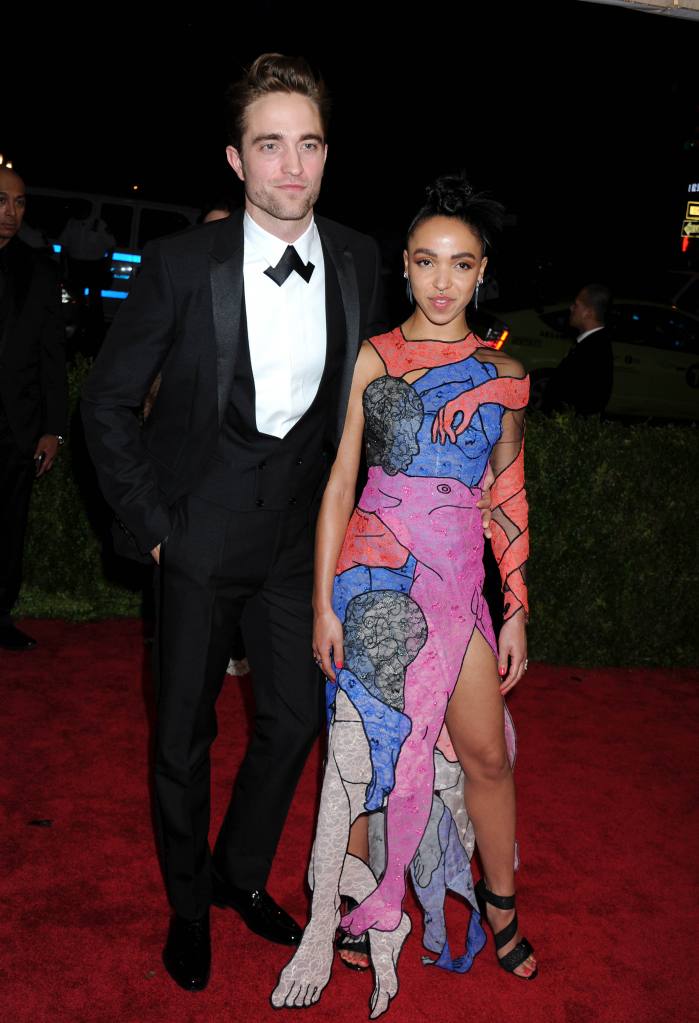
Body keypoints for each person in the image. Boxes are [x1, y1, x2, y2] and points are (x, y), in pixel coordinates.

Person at [80, 53, 392, 994]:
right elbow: (106, 403)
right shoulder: (182, 264)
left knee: (293, 720)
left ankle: (236, 870)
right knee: (182, 735)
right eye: (269, 145)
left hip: (297, 541)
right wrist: (156, 528)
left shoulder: (358, 256)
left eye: (308, 145)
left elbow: (360, 413)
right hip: (199, 532)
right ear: (235, 157)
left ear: (327, 154)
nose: (291, 166)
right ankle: (187, 905)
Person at [273, 174, 537, 1017]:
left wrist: (516, 607)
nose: (441, 280)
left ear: (481, 271)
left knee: (485, 754)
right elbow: (339, 482)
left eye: (460, 264)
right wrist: (322, 604)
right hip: (372, 577)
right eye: (426, 261)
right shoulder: (375, 355)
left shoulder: (504, 373)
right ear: (406, 266)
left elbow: (506, 497)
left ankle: (499, 900)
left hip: (456, 586)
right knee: (364, 756)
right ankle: (354, 902)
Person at [0, 167, 67, 651]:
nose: (11, 212)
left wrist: (53, 429)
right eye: (2, 200)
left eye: (20, 202)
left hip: (15, 424)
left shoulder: (39, 269)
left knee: (8, 526)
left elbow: (52, 355)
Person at [542, 282, 614, 415]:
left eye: (576, 305)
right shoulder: (588, 344)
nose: (571, 308)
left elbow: (587, 401)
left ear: (588, 313)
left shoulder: (595, 350)